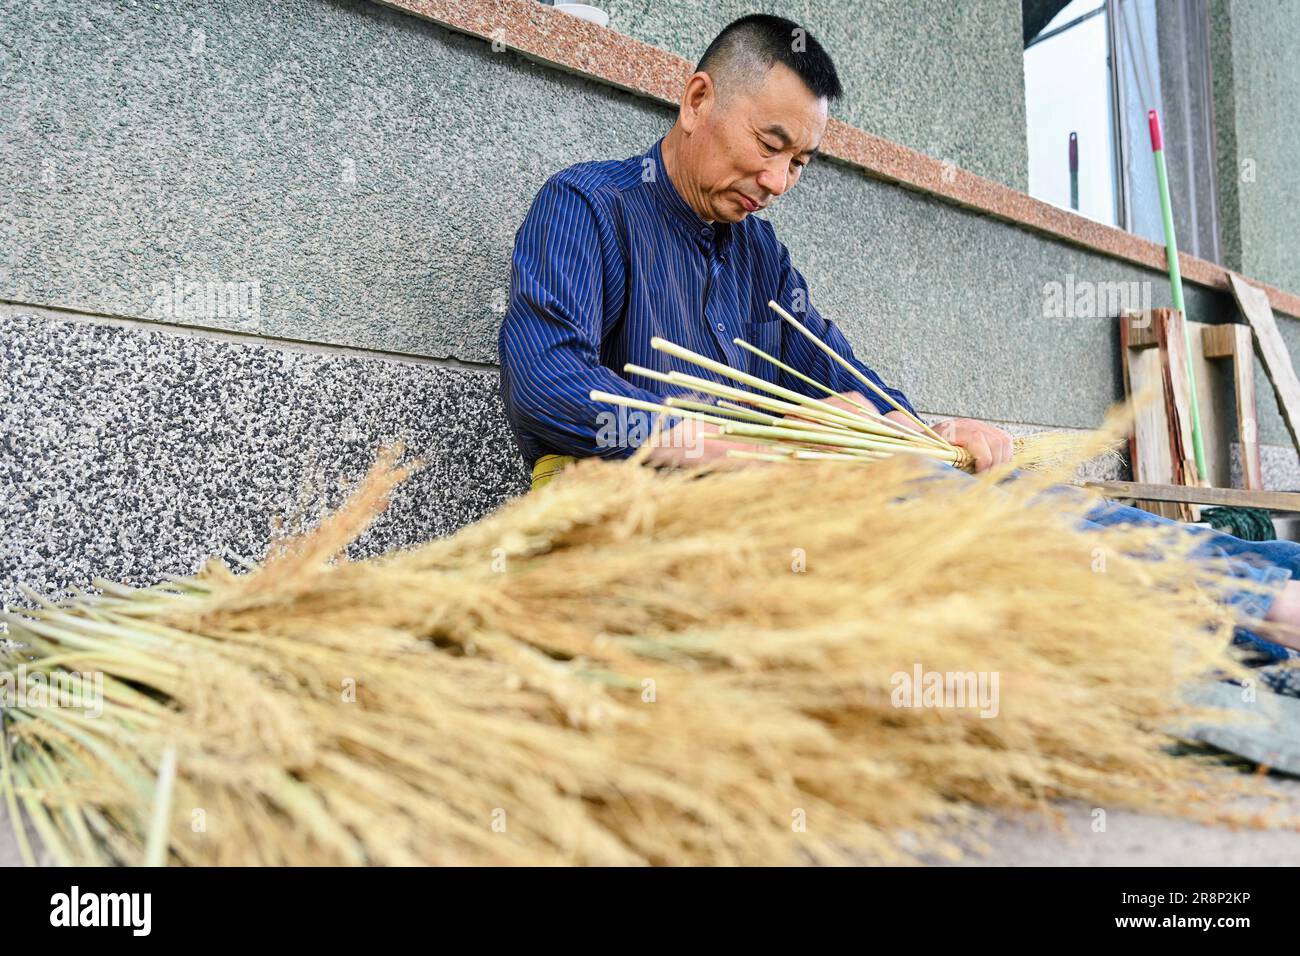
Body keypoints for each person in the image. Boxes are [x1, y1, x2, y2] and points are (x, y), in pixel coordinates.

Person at [498, 13, 1300, 656]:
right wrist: (717, 442)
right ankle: (1259, 606)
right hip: (657, 515)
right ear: (698, 99)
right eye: (770, 146)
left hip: (784, 496)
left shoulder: (756, 253)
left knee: (996, 493)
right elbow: (547, 384)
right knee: (937, 511)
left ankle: (1267, 589)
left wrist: (929, 430)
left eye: (801, 164)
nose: (778, 182)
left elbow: (834, 362)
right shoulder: (589, 208)